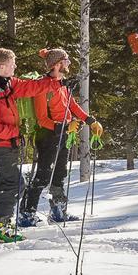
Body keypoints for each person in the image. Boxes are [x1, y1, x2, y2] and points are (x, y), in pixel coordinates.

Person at [0, 47, 67, 243]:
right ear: (1, 66)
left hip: (8, 142)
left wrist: (54, 80)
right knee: (14, 183)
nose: (15, 66)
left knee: (7, 182)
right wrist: (14, 132)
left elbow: (32, 87)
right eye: (12, 64)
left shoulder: (8, 83)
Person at [19, 47, 104, 225]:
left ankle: (58, 212)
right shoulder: (43, 87)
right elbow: (42, 119)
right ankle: (26, 214)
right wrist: (66, 127)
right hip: (47, 137)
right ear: (57, 64)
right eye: (66, 61)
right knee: (43, 176)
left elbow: (71, 105)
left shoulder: (62, 84)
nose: (69, 64)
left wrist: (90, 121)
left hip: (63, 135)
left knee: (59, 174)